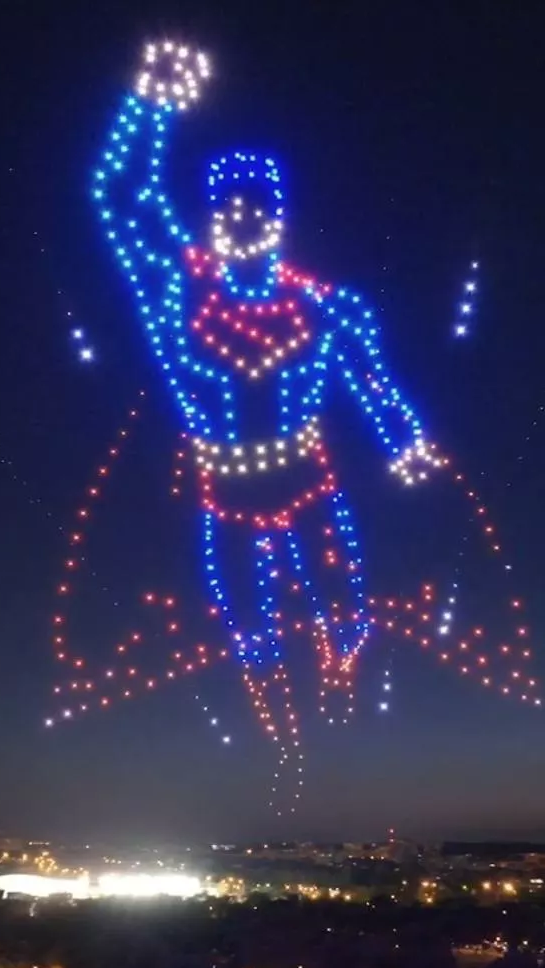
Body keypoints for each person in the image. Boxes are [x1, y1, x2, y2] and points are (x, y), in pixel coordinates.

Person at [91, 42, 446, 801]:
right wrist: (149, 107)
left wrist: (403, 439)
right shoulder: (177, 289)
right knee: (250, 631)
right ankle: (286, 751)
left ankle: (340, 698)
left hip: (311, 484)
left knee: (344, 616)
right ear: (211, 219)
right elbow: (121, 198)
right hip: (225, 496)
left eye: (258, 209)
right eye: (229, 210)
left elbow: (372, 379)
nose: (243, 221)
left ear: (279, 220)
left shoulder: (324, 306)